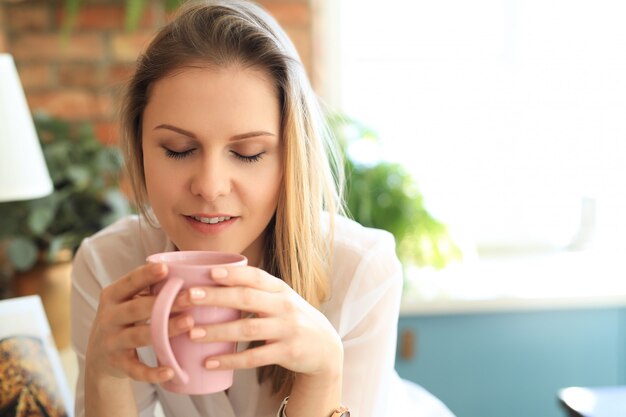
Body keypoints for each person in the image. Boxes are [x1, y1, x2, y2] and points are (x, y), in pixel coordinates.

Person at [70, 1, 455, 416]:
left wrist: (323, 376)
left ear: (290, 157)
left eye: (249, 153)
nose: (210, 187)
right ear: (140, 145)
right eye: (178, 150)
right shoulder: (108, 267)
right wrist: (104, 378)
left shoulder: (359, 269)